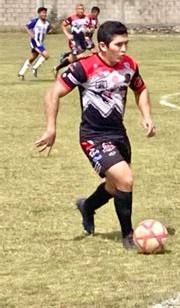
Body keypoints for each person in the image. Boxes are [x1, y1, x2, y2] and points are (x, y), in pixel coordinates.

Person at [35, 21, 157, 250]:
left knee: (114, 186)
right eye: (118, 45)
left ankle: (87, 206)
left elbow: (140, 88)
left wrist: (146, 115)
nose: (124, 50)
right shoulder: (84, 67)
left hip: (119, 133)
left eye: (126, 44)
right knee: (126, 180)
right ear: (102, 46)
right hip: (93, 136)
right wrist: (51, 127)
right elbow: (53, 93)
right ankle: (128, 237)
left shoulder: (129, 65)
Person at [53, 3, 91, 77]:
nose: (81, 10)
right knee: (80, 56)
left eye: (82, 9)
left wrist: (89, 31)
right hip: (74, 40)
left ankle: (58, 67)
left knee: (73, 58)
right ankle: (69, 70)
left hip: (82, 40)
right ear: (76, 10)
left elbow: (90, 27)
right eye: (79, 9)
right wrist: (67, 35)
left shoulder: (87, 18)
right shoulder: (72, 18)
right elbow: (63, 24)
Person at [17, 7, 53, 80]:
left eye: (45, 13)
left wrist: (50, 30)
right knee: (46, 55)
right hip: (35, 42)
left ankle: (21, 73)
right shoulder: (35, 21)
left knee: (33, 58)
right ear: (39, 14)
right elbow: (27, 26)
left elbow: (49, 28)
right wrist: (31, 34)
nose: (44, 14)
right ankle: (35, 68)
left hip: (40, 42)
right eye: (43, 13)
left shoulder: (47, 23)